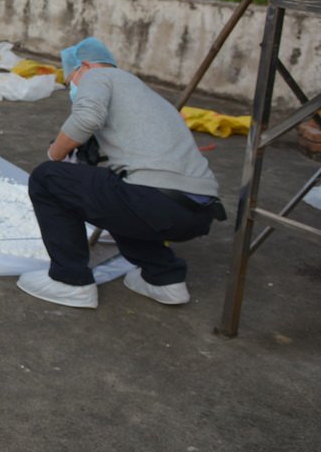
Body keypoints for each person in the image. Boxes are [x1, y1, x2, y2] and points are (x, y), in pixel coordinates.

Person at [17, 37, 224, 309]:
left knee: (47, 177)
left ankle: (70, 281)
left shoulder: (98, 76)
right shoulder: (146, 95)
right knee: (117, 191)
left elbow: (86, 118)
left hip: (156, 201)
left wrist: (55, 153)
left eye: (71, 81)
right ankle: (164, 279)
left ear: (84, 65)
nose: (73, 88)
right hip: (198, 211)